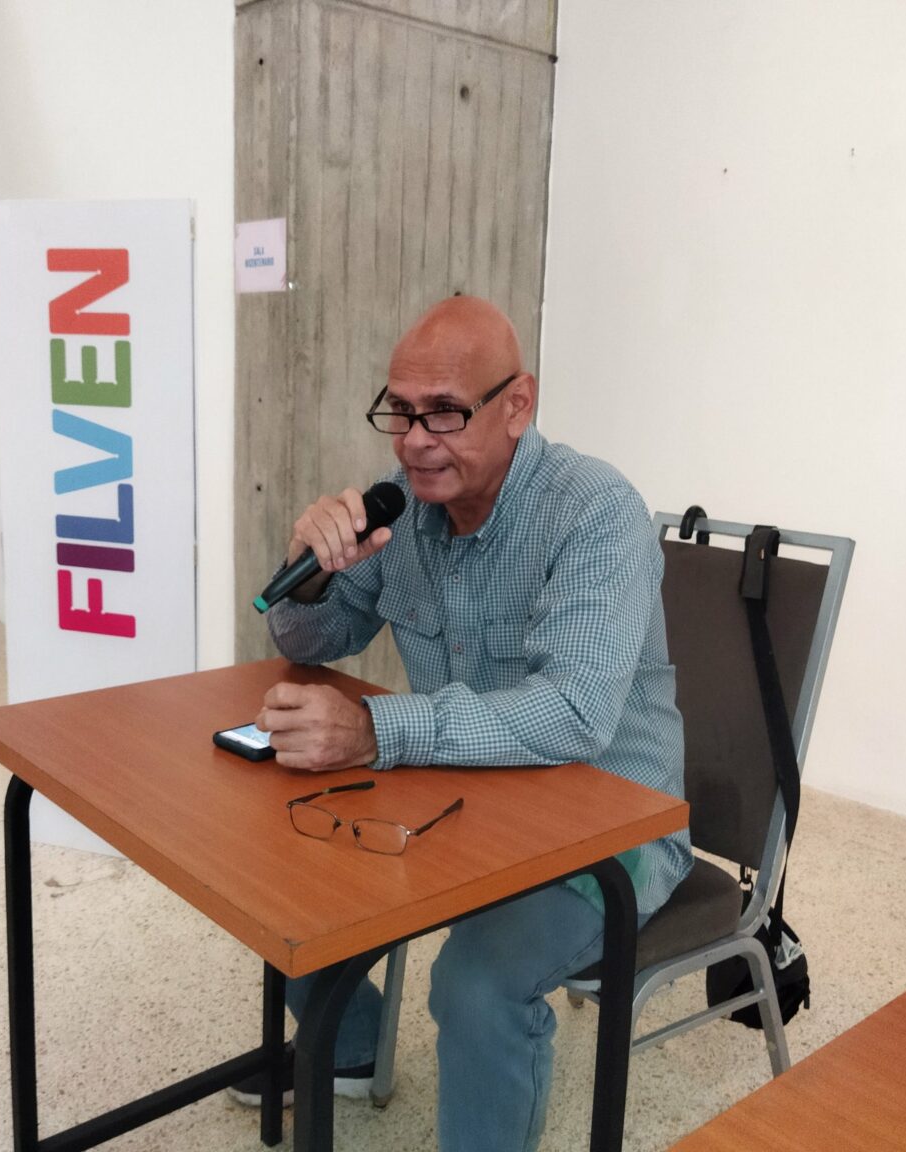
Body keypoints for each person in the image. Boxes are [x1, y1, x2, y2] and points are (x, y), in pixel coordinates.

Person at [230, 295, 692, 1152]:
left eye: (444, 411)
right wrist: (313, 573)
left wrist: (379, 732)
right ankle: (350, 1047)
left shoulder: (595, 512)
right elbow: (311, 641)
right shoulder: (404, 509)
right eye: (401, 411)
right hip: (462, 792)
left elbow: (576, 713)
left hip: (611, 822)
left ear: (518, 404)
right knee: (278, 864)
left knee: (476, 985)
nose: (414, 440)